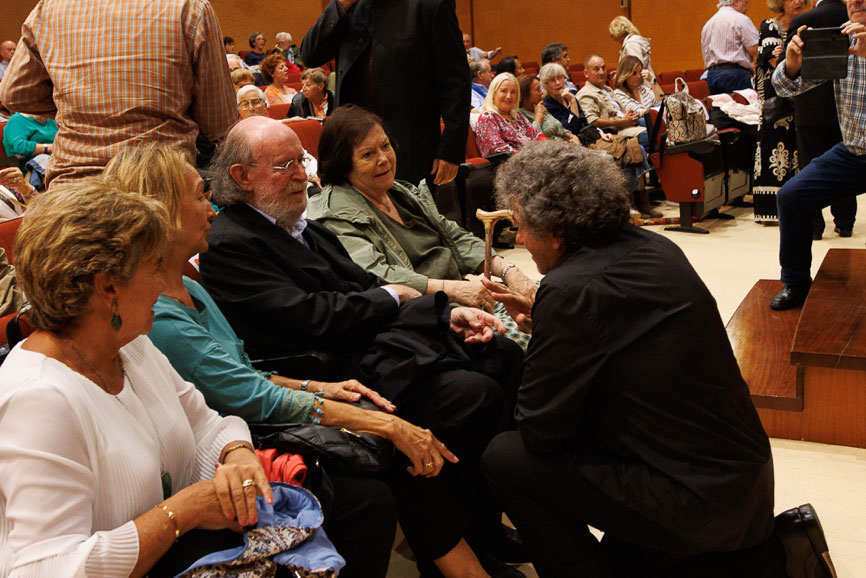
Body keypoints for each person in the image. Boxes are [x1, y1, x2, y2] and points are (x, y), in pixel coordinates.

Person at [103, 143, 464, 578]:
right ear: (161, 214)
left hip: (246, 421)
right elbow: (244, 396)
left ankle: (462, 559)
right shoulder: (158, 315)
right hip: (232, 442)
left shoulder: (190, 288)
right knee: (372, 482)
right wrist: (377, 421)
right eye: (200, 197)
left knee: (403, 424)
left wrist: (322, 389)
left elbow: (245, 371)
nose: (212, 210)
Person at [479, 140, 836, 578]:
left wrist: (545, 338)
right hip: (743, 481)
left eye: (520, 226)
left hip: (694, 503)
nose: (518, 240)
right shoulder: (654, 247)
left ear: (556, 230)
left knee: (505, 456)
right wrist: (550, 328)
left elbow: (539, 428)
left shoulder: (569, 289)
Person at [201, 115, 528, 578]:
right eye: (284, 165)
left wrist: (446, 313)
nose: (300, 174)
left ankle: (482, 519)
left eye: (301, 160)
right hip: (331, 372)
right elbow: (312, 316)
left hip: (374, 349)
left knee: (503, 355)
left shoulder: (302, 225)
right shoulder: (233, 243)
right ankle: (451, 544)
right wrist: (396, 296)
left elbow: (365, 285)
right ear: (242, 177)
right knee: (470, 395)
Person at [0, 180, 271, 577]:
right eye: (153, 268)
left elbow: (206, 423)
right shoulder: (39, 399)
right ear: (107, 286)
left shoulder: (129, 344)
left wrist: (237, 454)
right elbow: (44, 568)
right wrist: (181, 512)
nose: (162, 285)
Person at [308, 105, 537, 349]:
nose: (384, 159)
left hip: (466, 295)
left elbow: (454, 236)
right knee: (529, 343)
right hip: (428, 317)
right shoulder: (334, 213)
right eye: (367, 155)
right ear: (343, 164)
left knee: (547, 307)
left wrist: (510, 272)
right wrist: (455, 290)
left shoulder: (398, 191)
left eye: (385, 146)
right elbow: (377, 274)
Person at [0, 0, 237, 188]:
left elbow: (14, 94)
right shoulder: (190, 8)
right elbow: (219, 123)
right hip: (161, 188)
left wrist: (80, 104)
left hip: (74, 191)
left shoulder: (49, 8)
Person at [301, 0, 470, 186]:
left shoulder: (431, 5)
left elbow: (456, 82)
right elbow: (310, 55)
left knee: (407, 214)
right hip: (351, 149)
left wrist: (450, 150)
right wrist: (340, 6)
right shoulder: (349, 7)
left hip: (408, 149)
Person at [768, 3, 866, 310]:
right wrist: (793, 64)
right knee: (791, 196)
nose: (855, 2)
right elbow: (786, 87)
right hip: (854, 152)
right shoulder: (842, 41)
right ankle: (796, 283)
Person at [787, 0, 857, 239]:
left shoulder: (802, 21)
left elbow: (788, 71)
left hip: (811, 107)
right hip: (846, 114)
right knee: (847, 169)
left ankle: (815, 227)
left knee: (811, 168)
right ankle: (845, 223)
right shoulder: (851, 18)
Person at [753, 0, 809, 222]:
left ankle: (792, 207)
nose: (797, 2)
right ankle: (770, 211)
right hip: (774, 100)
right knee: (773, 151)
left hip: (796, 97)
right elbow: (775, 61)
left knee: (795, 151)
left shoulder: (803, 24)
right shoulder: (770, 25)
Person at [235, 85, 319, 189]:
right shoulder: (237, 139)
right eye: (245, 104)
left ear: (265, 105)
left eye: (255, 102)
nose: (251, 108)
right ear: (239, 110)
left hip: (299, 182)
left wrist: (313, 175)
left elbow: (305, 157)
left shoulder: (280, 131)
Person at [475, 73, 545, 158]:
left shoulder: (517, 115)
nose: (508, 96)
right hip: (512, 165)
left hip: (534, 159)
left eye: (513, 92)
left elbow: (536, 135)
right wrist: (531, 157)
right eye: (504, 91)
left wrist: (549, 147)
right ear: (493, 93)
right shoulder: (487, 118)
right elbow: (497, 149)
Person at [701, 0, 760, 94]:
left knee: (718, 108)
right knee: (739, 108)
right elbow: (756, 50)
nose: (747, 8)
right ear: (735, 2)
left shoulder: (708, 24)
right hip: (735, 76)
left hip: (711, 76)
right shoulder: (741, 19)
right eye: (745, 2)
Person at [518, 73, 581, 143]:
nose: (541, 92)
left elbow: (560, 129)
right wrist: (538, 117)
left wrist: (572, 136)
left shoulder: (541, 107)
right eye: (537, 89)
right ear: (525, 95)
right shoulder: (520, 115)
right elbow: (532, 140)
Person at [608, 16, 657, 84]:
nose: (614, 39)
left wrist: (620, 76)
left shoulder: (631, 45)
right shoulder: (635, 40)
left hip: (640, 86)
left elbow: (636, 69)